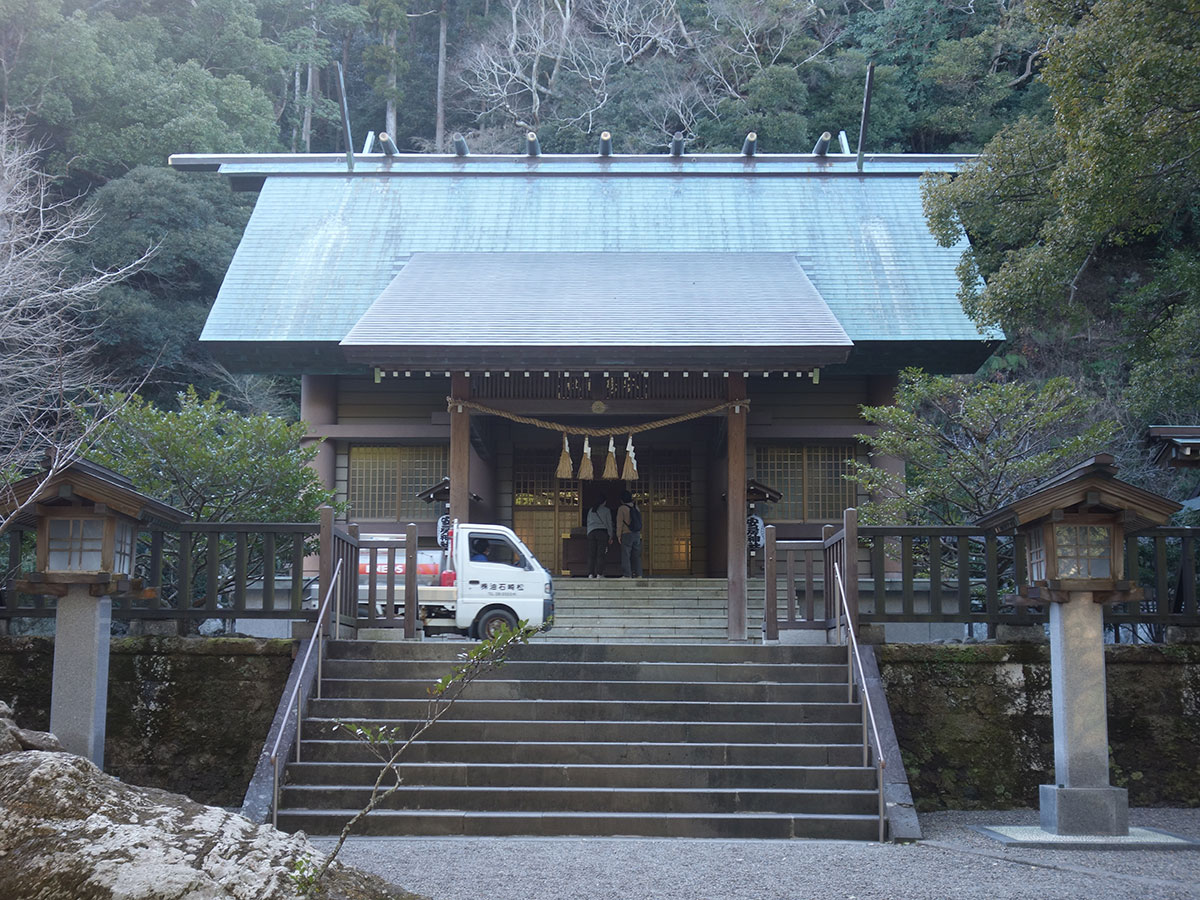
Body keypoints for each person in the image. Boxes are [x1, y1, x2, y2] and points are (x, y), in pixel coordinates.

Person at [616, 490, 642, 578]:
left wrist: (618, 535)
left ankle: (627, 574)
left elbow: (619, 523)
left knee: (626, 554)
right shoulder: (636, 507)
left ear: (622, 499)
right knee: (636, 555)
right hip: (637, 533)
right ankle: (639, 574)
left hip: (626, 533)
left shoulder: (622, 508)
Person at [585, 498, 613, 578]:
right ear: (604, 502)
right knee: (601, 554)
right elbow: (609, 523)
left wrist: (588, 533)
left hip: (591, 532)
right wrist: (610, 535)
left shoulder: (591, 510)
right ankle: (599, 573)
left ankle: (590, 573)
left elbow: (588, 522)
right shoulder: (606, 510)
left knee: (591, 554)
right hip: (602, 533)